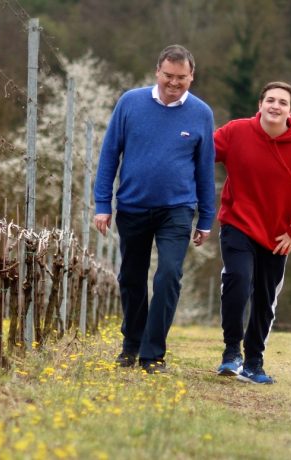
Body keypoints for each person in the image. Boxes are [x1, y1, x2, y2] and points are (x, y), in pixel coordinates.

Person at [93, 44, 216, 374]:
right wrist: (103, 203)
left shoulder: (201, 113)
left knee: (169, 276)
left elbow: (205, 169)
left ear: (192, 77)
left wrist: (206, 217)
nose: (174, 82)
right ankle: (132, 344)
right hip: (132, 205)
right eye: (168, 75)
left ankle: (153, 353)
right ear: (157, 72)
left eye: (181, 77)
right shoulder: (130, 103)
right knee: (131, 277)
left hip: (177, 209)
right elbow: (109, 155)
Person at [213, 81, 291, 384]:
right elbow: (201, 154)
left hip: (277, 238)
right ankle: (231, 352)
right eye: (270, 100)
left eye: (282, 102)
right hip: (237, 224)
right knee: (238, 280)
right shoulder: (235, 132)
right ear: (260, 104)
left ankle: (254, 363)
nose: (275, 106)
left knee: (264, 299)